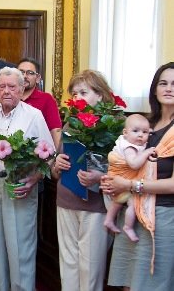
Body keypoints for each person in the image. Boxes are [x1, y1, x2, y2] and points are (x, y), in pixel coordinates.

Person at [0, 67, 53, 291]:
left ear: (21, 88)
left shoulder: (33, 115)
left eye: (12, 86)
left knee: (20, 247)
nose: (6, 91)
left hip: (20, 186)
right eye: (2, 87)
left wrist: (33, 180)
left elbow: (49, 154)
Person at [101, 62, 174, 291]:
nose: (169, 88)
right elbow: (126, 162)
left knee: (152, 283)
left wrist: (130, 184)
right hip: (133, 212)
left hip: (162, 214)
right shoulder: (144, 125)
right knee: (129, 283)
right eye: (163, 83)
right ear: (154, 89)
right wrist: (111, 180)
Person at [51, 70, 115, 291]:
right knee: (68, 264)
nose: (77, 97)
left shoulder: (114, 124)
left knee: (90, 269)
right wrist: (56, 164)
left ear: (100, 95)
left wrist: (100, 176)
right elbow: (55, 167)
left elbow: (123, 169)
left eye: (83, 92)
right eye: (74, 93)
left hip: (95, 205)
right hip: (66, 199)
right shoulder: (71, 124)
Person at [103, 114, 154, 242]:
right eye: (135, 131)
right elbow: (134, 164)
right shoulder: (130, 147)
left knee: (118, 201)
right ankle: (128, 226)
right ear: (125, 133)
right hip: (121, 179)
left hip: (117, 179)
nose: (140, 135)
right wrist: (146, 152)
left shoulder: (126, 141)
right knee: (133, 203)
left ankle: (109, 220)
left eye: (145, 132)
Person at [17, 58, 62, 149]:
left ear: (37, 78)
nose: (25, 76)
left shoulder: (46, 99)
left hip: (37, 153)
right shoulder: (9, 98)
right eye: (21, 72)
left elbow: (55, 130)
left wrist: (58, 157)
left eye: (30, 73)